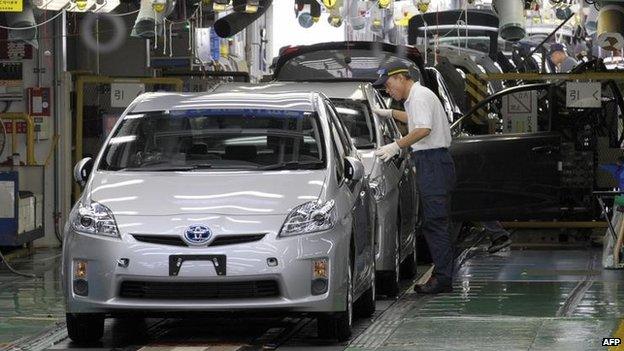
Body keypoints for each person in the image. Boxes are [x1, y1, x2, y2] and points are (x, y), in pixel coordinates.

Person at [372, 62, 456, 294]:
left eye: (388, 86)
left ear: (401, 78)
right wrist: (389, 113)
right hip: (433, 162)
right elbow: (415, 119)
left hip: (432, 162)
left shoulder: (418, 96)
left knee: (436, 223)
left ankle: (443, 279)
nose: (388, 91)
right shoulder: (417, 96)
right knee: (436, 222)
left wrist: (396, 145)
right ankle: (444, 274)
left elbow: (423, 129)